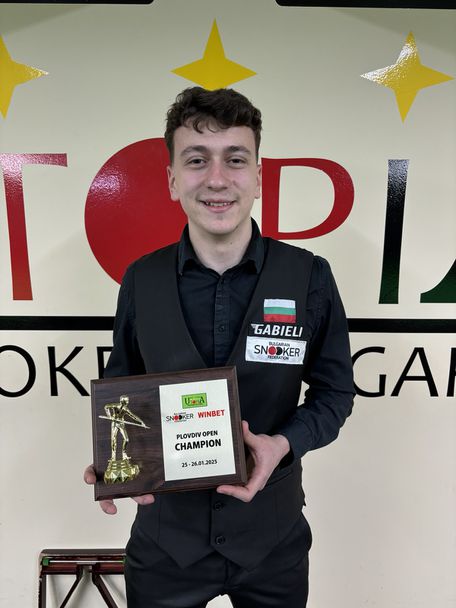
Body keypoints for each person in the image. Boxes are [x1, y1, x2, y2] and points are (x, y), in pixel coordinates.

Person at [85, 86, 355, 608]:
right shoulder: (141, 279)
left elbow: (335, 394)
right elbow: (122, 389)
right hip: (166, 544)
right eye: (196, 160)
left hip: (272, 539)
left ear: (258, 176)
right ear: (172, 179)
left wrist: (284, 443)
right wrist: (115, 460)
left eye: (235, 159)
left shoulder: (309, 277)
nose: (216, 178)